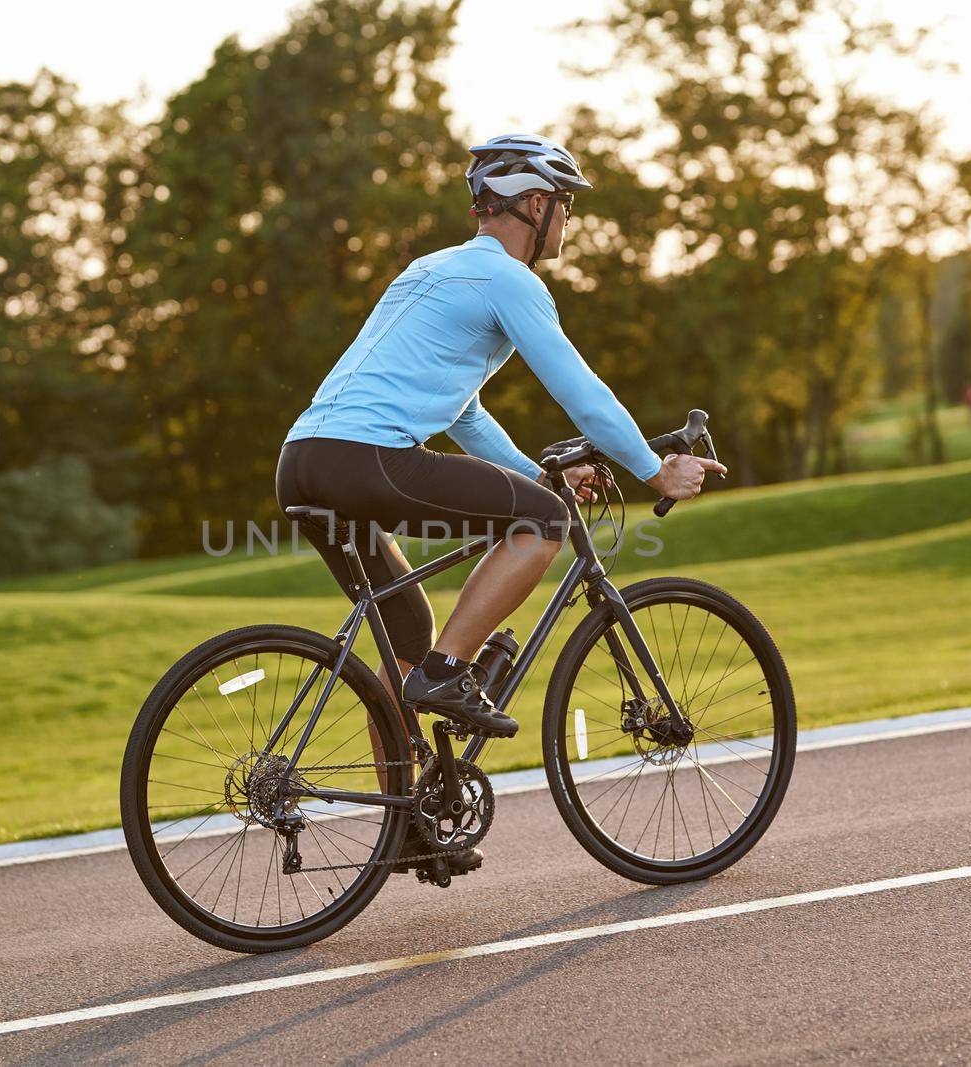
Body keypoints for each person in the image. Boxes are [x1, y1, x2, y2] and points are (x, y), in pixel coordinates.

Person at [277, 135, 724, 874]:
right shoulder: (510, 282)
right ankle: (452, 670)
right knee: (542, 527)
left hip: (304, 462)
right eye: (567, 207)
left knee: (405, 631)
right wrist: (652, 466)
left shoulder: (431, 270)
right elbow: (580, 389)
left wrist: (529, 473)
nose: (568, 224)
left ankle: (404, 824)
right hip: (365, 458)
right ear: (537, 205)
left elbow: (463, 414)